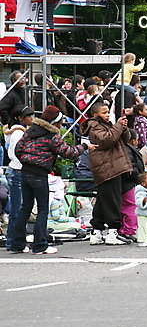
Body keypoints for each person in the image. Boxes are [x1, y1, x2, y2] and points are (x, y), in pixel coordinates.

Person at [10, 105, 94, 254]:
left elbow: (18, 149)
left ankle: (17, 244)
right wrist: (84, 146)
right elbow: (69, 152)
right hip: (40, 174)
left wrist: (26, 160)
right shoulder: (52, 136)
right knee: (43, 210)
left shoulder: (29, 132)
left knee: (25, 208)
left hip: (25, 172)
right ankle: (39, 245)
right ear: (55, 122)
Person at [82, 102, 133, 245]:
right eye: (104, 112)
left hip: (113, 167)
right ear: (95, 114)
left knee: (103, 201)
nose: (107, 115)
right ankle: (112, 231)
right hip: (106, 168)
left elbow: (125, 139)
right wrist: (117, 126)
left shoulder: (108, 125)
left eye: (107, 112)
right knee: (112, 201)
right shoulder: (93, 126)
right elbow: (107, 140)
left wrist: (123, 127)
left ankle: (96, 231)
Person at [4, 107, 34, 251]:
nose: (31, 119)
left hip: (16, 170)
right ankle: (14, 241)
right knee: (18, 209)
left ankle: (12, 240)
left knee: (17, 208)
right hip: (17, 170)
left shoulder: (14, 132)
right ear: (20, 118)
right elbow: (16, 153)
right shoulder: (18, 133)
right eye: (29, 116)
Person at [118, 129, 145, 243]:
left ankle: (125, 229)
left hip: (126, 182)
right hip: (129, 182)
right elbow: (132, 167)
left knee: (126, 206)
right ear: (132, 140)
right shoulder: (128, 150)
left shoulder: (124, 149)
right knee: (130, 207)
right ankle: (128, 230)